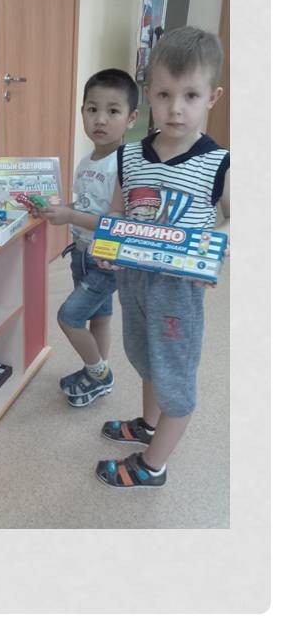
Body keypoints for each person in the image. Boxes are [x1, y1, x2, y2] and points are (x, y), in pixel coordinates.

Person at [93, 26, 229, 488]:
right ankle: (148, 426)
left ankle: (153, 465)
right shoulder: (129, 156)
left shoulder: (219, 162)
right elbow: (117, 211)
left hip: (178, 292)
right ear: (149, 93)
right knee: (145, 357)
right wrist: (108, 245)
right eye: (165, 94)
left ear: (212, 97)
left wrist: (210, 252)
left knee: (174, 377)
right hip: (133, 283)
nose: (176, 108)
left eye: (191, 95)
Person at [39, 69, 139, 407]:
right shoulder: (86, 161)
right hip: (80, 253)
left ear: (131, 118)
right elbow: (85, 206)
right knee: (100, 315)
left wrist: (70, 216)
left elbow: (115, 223)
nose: (100, 119)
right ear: (82, 111)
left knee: (69, 317)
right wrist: (61, 209)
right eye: (92, 109)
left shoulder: (123, 165)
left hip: (105, 259)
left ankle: (99, 373)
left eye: (113, 111)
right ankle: (96, 373)